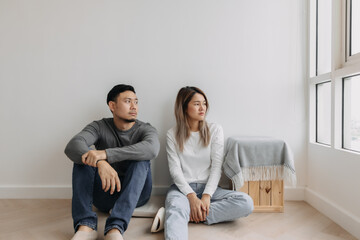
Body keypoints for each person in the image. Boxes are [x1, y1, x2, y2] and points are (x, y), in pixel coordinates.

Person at [64, 84, 160, 240]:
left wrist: (106, 154)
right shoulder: (99, 126)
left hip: (137, 194)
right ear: (112, 105)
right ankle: (86, 226)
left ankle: (115, 228)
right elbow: (73, 146)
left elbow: (152, 149)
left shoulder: (145, 129)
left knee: (141, 160)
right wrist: (100, 162)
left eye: (136, 102)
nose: (134, 106)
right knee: (84, 157)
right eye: (128, 101)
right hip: (104, 194)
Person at [164, 86, 253, 240]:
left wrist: (206, 196)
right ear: (184, 107)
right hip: (182, 190)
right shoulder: (172, 134)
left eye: (204, 103)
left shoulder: (215, 130)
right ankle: (185, 211)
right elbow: (175, 171)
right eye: (197, 104)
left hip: (210, 189)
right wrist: (191, 197)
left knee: (246, 202)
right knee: (176, 206)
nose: (202, 108)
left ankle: (189, 214)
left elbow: (216, 167)